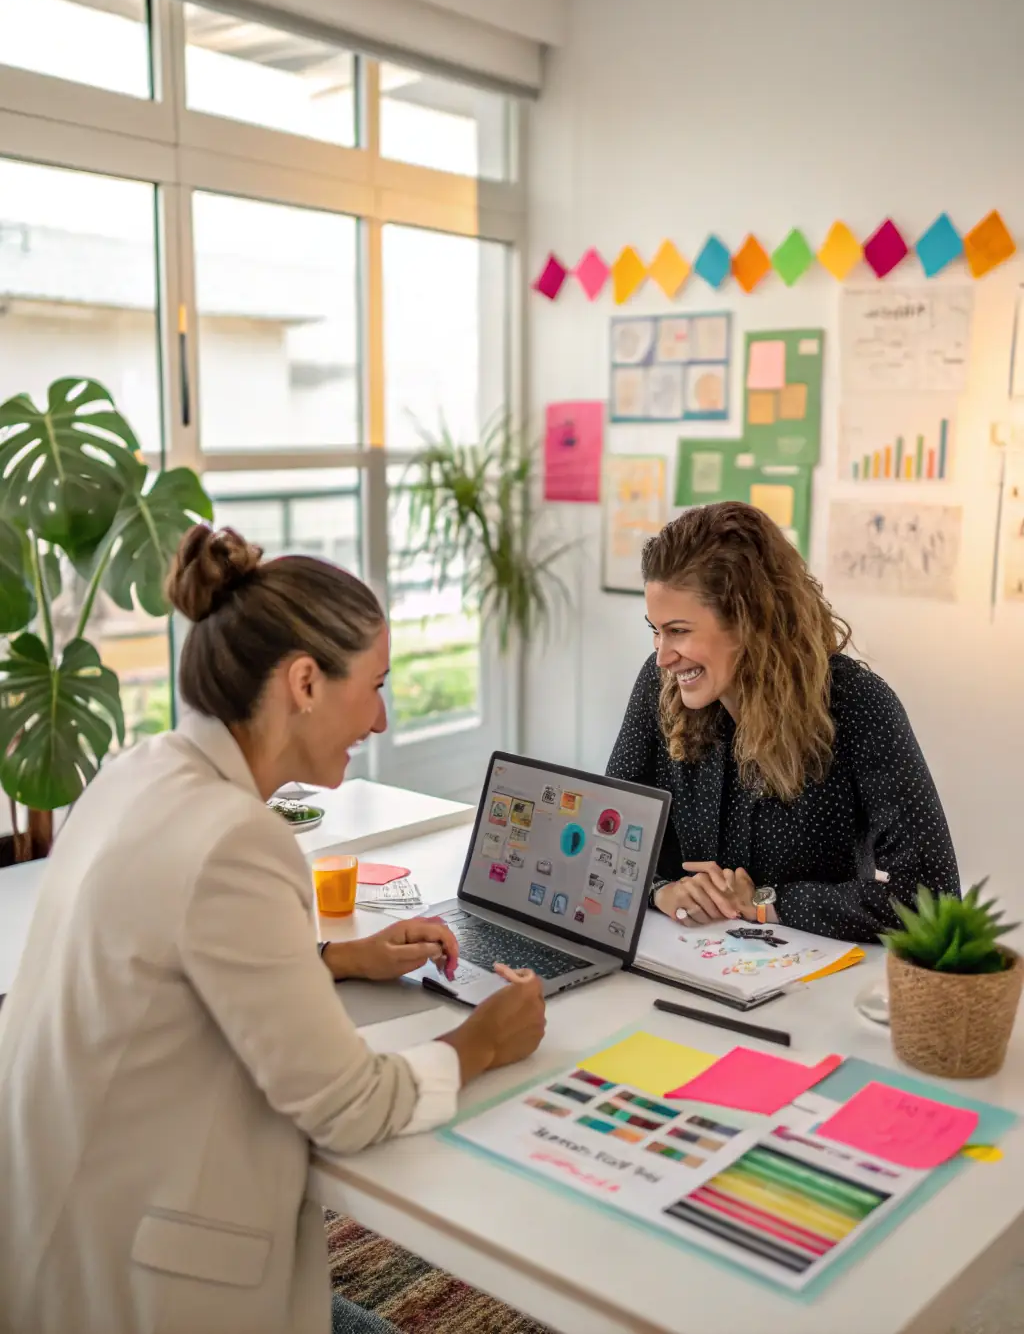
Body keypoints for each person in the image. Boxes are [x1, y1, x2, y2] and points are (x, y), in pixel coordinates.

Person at [0, 526, 546, 1334]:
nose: (382, 718)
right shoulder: (235, 838)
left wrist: (333, 956)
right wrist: (485, 1040)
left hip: (53, 1235)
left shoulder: (138, 771)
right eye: (375, 686)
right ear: (304, 681)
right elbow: (352, 1106)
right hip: (133, 1288)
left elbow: (173, 960)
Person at [607, 502, 960, 943]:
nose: (662, 655)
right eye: (655, 630)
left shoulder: (858, 706)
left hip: (815, 972)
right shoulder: (660, 683)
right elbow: (612, 837)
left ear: (748, 621)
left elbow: (932, 898)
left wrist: (765, 901)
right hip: (682, 957)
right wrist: (662, 891)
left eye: (679, 631)